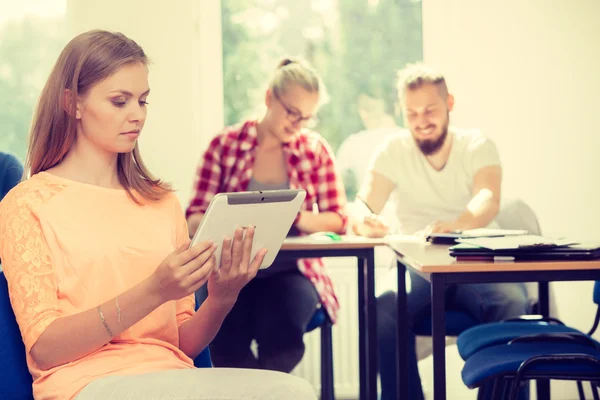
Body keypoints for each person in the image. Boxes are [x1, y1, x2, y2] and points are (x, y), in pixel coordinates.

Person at [0, 30, 317, 400]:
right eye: (120, 101)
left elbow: (182, 344)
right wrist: (153, 290)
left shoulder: (161, 203)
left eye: (143, 101)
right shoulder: (26, 204)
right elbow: (45, 349)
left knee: (293, 391)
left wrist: (221, 296)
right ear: (73, 103)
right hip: (84, 384)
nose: (137, 115)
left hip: (172, 376)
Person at [353, 63, 529, 400]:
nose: (421, 121)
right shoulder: (393, 149)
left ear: (449, 102)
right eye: (411, 113)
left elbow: (488, 197)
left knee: (512, 302)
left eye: (430, 110)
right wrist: (364, 220)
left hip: (474, 261)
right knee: (381, 307)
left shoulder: (477, 143)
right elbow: (363, 204)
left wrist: (459, 223)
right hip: (416, 267)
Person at [186, 58, 347, 373]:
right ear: (270, 97)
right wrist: (211, 225)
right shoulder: (224, 145)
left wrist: (296, 217)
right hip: (228, 270)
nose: (297, 125)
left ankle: (260, 388)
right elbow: (194, 215)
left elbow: (338, 219)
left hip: (291, 271)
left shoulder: (315, 151)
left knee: (283, 334)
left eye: (307, 118)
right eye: (292, 113)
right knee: (223, 339)